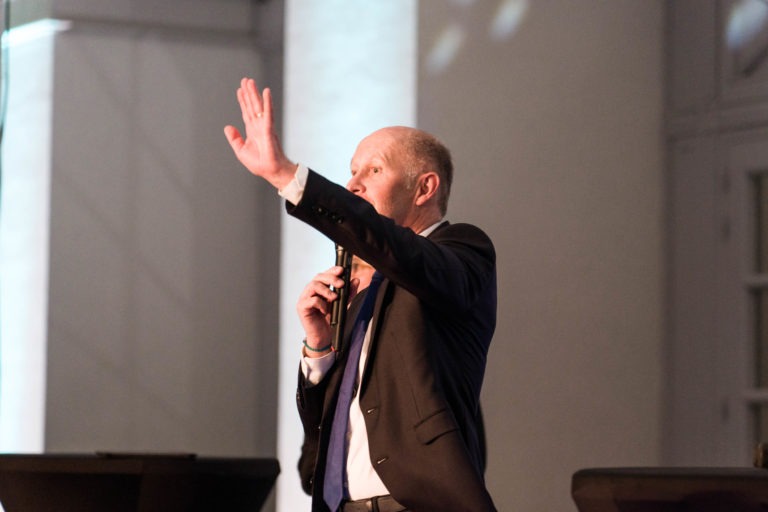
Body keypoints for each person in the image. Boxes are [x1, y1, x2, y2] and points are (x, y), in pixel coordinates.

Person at [225, 78, 497, 512]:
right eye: (351, 170)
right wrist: (318, 348)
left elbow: (397, 249)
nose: (352, 184)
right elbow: (321, 438)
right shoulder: (361, 289)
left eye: (373, 170)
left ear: (424, 188)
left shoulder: (463, 252)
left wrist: (287, 176)